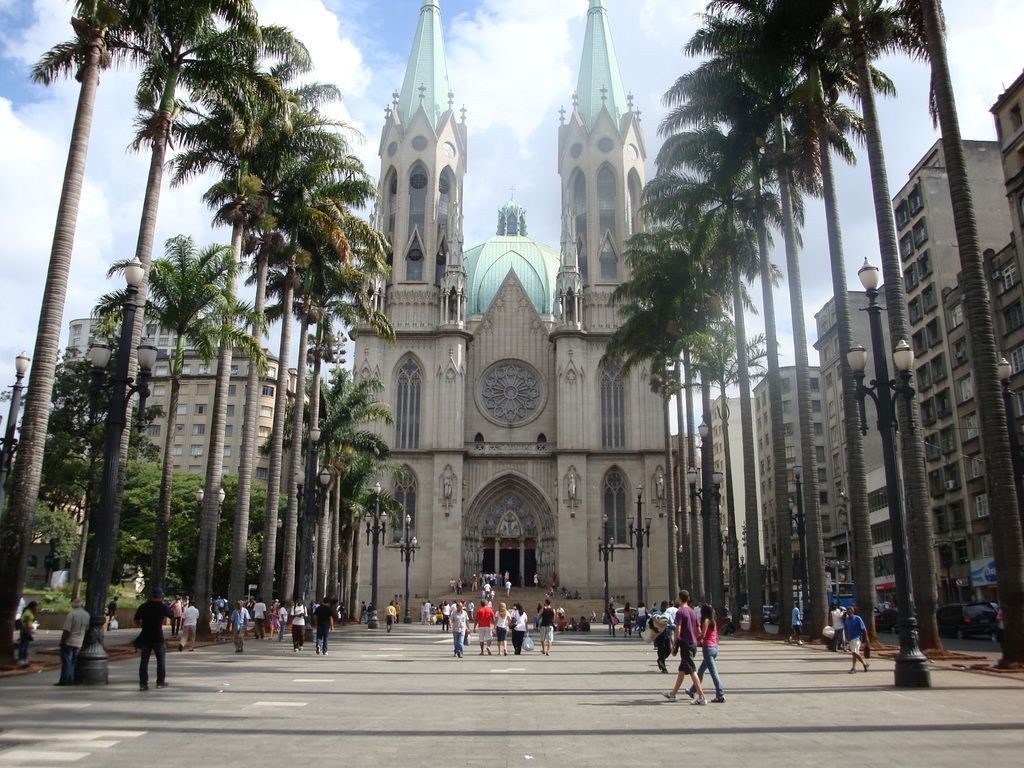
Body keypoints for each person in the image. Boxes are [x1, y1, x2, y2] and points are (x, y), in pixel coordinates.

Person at [663, 590, 707, 705]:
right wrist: (696, 640)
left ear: (679, 598)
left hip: (685, 645)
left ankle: (702, 697)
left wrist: (674, 645)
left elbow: (677, 630)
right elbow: (699, 631)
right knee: (682, 670)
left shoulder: (680, 612)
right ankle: (672, 694)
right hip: (693, 644)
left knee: (692, 670)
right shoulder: (692, 612)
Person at [135, 588, 173, 690]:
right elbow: (172, 615)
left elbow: (136, 619)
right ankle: (160, 682)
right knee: (160, 660)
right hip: (158, 637)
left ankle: (143, 684)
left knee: (144, 661)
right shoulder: (162, 607)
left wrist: (142, 626)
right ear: (161, 597)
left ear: (151, 596)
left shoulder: (143, 606)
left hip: (145, 636)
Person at [687, 604, 726, 703]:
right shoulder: (713, 621)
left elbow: (703, 634)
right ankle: (692, 690)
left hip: (708, 648)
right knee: (701, 671)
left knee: (713, 673)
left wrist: (695, 641)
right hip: (714, 648)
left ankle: (720, 694)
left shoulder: (706, 621)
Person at [56, 598, 91, 685]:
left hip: (69, 641)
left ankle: (65, 680)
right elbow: (86, 629)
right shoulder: (87, 615)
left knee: (67, 661)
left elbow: (67, 630)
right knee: (73, 662)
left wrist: (62, 641)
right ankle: (71, 679)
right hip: (79, 641)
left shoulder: (71, 614)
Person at [844, 606, 870, 673]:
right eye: (847, 611)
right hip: (850, 638)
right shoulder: (846, 620)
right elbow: (846, 630)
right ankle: (865, 664)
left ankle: (853, 668)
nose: (848, 612)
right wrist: (846, 639)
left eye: (850, 611)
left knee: (855, 652)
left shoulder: (857, 618)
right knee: (855, 653)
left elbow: (864, 629)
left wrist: (866, 639)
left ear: (853, 611)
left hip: (857, 638)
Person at [652, 601, 672, 674]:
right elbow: (651, 623)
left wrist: (668, 625)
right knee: (661, 650)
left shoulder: (668, 614)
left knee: (669, 650)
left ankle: (660, 660)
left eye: (666, 607)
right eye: (664, 607)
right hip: (659, 634)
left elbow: (671, 623)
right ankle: (663, 667)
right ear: (661, 606)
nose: (665, 609)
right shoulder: (655, 613)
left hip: (667, 633)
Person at [16, 600, 37, 667]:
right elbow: (27, 623)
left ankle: (23, 659)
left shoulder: (28, 612)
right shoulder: (28, 613)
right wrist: (30, 632)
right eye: (35, 607)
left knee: (24, 645)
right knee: (23, 646)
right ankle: (22, 659)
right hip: (26, 630)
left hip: (26, 630)